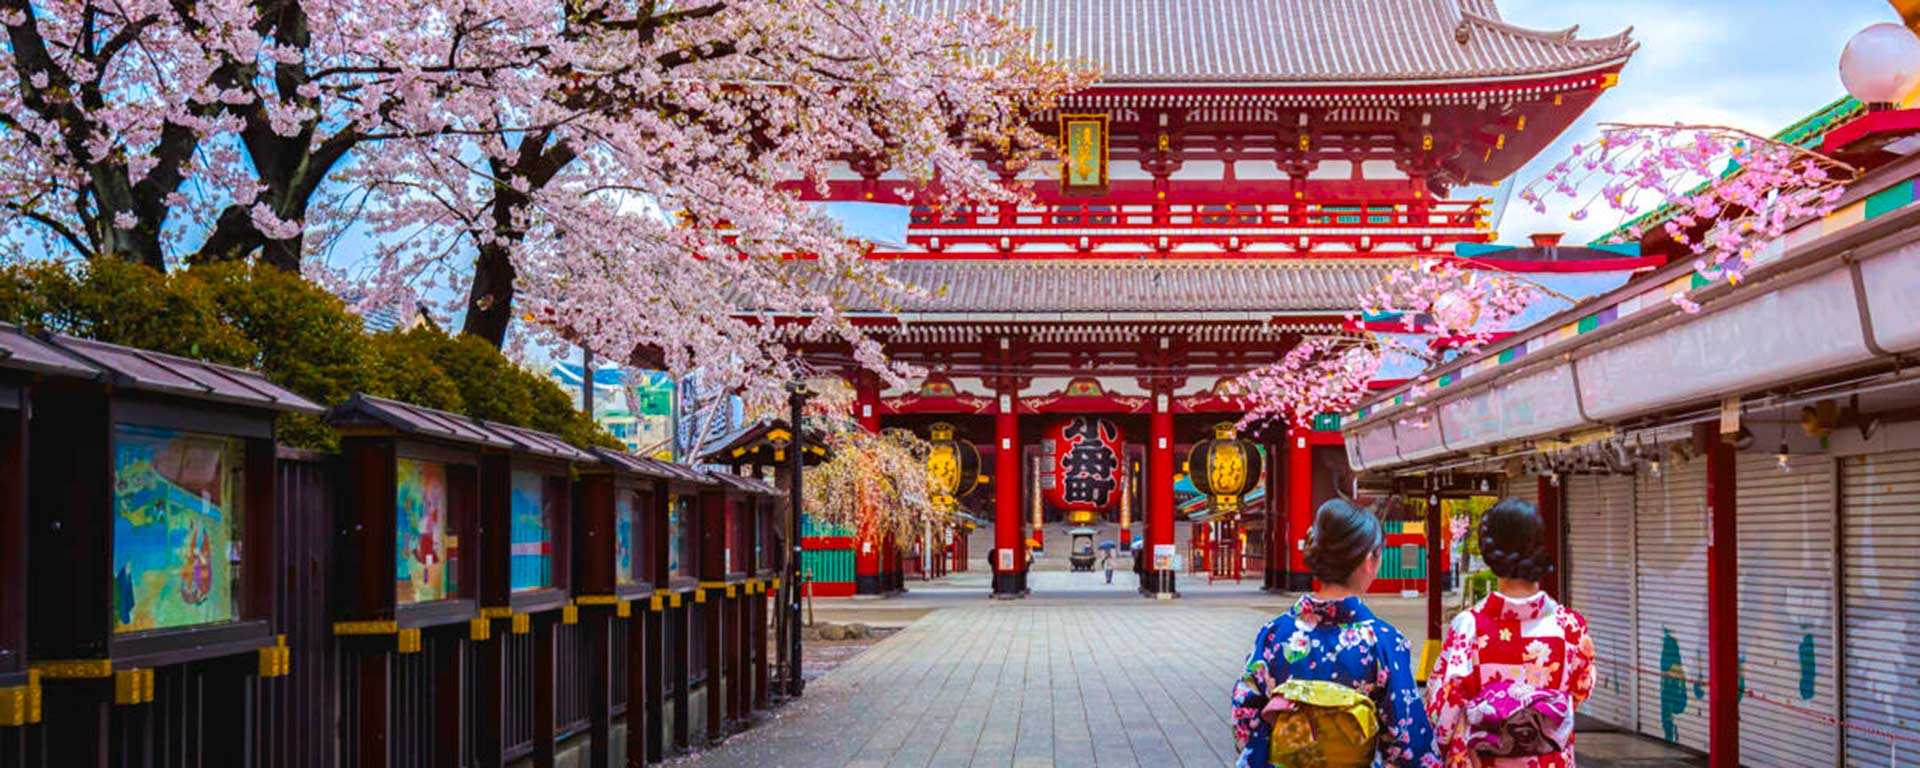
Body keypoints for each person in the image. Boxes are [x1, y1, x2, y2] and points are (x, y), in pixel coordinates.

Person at [1231, 499, 1437, 768]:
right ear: (1368, 560)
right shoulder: (1384, 642)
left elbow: (1244, 717)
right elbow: (1409, 742)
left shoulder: (1274, 635)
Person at [1427, 498, 1595, 767]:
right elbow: (1581, 690)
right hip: (1549, 760)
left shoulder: (1469, 626)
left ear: (1489, 553)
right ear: (1541, 547)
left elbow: (1444, 710)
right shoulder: (1570, 627)